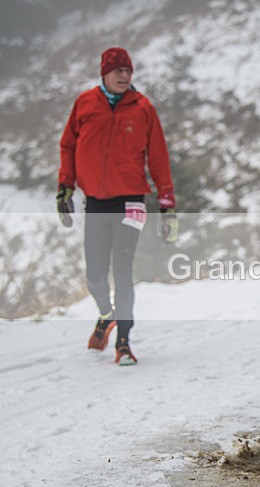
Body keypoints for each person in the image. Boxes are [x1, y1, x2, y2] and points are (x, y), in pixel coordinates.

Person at [57, 47, 178, 365]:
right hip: (96, 200)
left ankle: (123, 342)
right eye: (118, 71)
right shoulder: (85, 103)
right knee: (95, 275)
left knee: (122, 272)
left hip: (131, 201)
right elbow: (68, 145)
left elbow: (158, 156)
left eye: (128, 71)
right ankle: (106, 315)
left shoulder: (143, 108)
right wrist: (65, 187)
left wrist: (167, 202)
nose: (124, 76)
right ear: (104, 74)